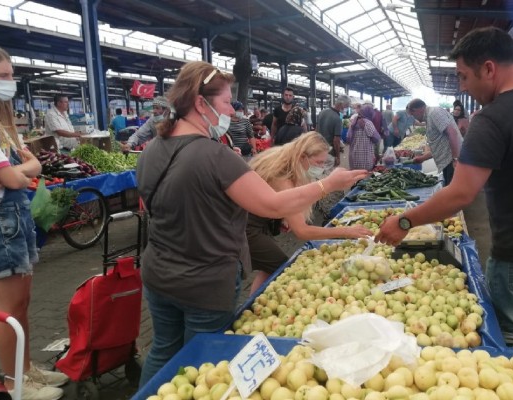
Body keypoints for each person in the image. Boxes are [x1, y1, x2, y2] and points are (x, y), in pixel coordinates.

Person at [135, 61, 367, 387]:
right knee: (203, 365)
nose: (233, 109)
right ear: (201, 104)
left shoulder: (151, 151)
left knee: (163, 350)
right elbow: (271, 205)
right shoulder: (215, 156)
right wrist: (328, 184)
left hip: (158, 275)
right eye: (228, 102)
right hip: (204, 282)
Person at [375, 27, 513, 355]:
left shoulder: (492, 119)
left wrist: (405, 222)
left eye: (463, 76)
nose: (463, 86)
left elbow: (461, 193)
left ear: (488, 68)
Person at [0, 40, 68, 400]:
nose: (10, 82)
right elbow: (18, 175)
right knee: (9, 309)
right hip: (0, 216)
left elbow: (30, 164)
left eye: (11, 75)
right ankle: (14, 385)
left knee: (23, 304)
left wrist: (21, 168)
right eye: (3, 76)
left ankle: (26, 370)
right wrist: (21, 169)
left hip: (15, 213)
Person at [247, 132, 373, 293]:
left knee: (268, 265)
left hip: (255, 221)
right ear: (302, 157)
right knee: (280, 266)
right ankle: (254, 304)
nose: (321, 168)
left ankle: (253, 300)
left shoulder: (285, 161)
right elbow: (302, 231)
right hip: (246, 227)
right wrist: (348, 231)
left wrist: (285, 217)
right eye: (318, 162)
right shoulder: (281, 175)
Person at [407, 99, 462, 185]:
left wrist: (456, 159)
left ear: (419, 109)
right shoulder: (429, 117)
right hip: (448, 163)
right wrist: (423, 158)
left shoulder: (434, 113)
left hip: (452, 162)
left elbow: (452, 132)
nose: (414, 118)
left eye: (413, 114)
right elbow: (440, 145)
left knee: (455, 194)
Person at [317, 94, 350, 168]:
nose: (347, 108)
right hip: (329, 153)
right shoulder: (337, 119)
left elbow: (316, 130)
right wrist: (338, 157)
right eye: (346, 106)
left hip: (319, 149)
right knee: (329, 176)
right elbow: (336, 140)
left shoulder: (322, 112)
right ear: (341, 104)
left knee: (319, 173)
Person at [347, 103, 382, 171]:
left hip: (354, 156)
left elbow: (348, 138)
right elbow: (376, 139)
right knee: (364, 176)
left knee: (355, 175)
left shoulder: (354, 122)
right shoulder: (367, 123)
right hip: (365, 157)